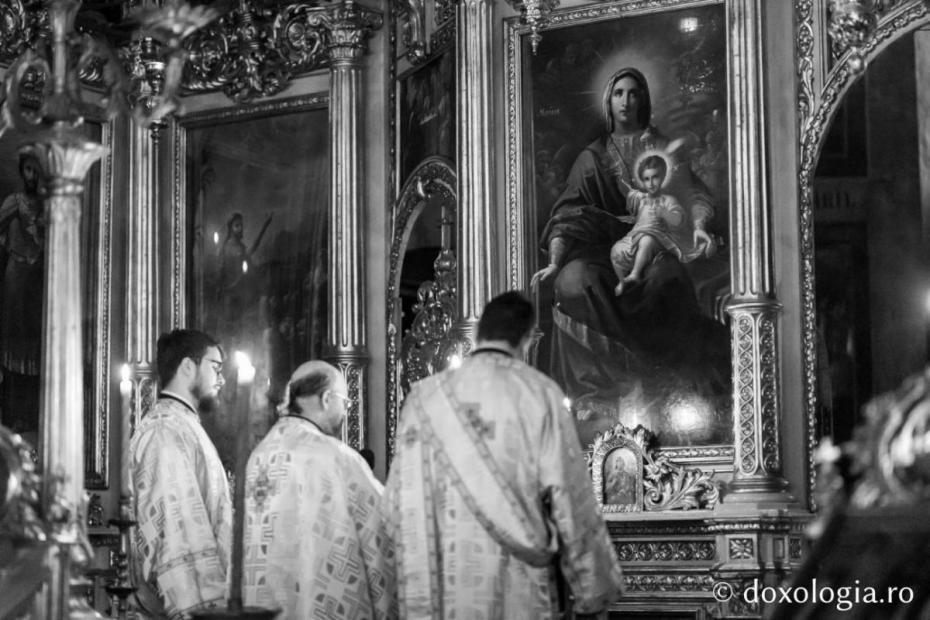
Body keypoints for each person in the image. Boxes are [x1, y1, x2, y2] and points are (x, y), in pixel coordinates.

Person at [384, 291, 624, 619]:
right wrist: (594, 588)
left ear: (480, 333)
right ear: (526, 338)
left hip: (442, 579)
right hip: (517, 581)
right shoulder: (539, 393)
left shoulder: (423, 398)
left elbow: (398, 497)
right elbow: (570, 495)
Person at [531, 66, 731, 447]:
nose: (626, 100)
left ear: (644, 99)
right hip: (601, 253)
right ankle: (595, 399)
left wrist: (700, 226)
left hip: (655, 247)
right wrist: (556, 262)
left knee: (668, 281)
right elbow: (567, 215)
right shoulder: (592, 158)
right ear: (608, 102)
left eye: (633, 93)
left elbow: (694, 196)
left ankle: (663, 384)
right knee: (573, 282)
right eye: (619, 93)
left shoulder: (663, 149)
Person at [242, 361, 396, 618]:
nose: (345, 411)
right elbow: (383, 527)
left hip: (264, 608)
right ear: (326, 399)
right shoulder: (336, 458)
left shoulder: (258, 456)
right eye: (345, 403)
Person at [130, 329, 231, 618]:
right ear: (188, 366)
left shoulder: (183, 425)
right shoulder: (165, 431)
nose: (221, 379)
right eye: (215, 367)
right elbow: (175, 532)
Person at [610, 153, 711, 295]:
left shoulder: (668, 200)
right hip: (635, 237)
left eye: (655, 177)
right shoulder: (642, 199)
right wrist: (620, 174)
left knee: (647, 241)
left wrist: (665, 213)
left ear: (663, 177)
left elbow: (678, 220)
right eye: (647, 179)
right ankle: (622, 281)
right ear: (642, 181)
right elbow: (627, 190)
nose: (651, 183)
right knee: (617, 249)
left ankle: (635, 274)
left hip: (658, 237)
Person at [0, 153, 45, 435]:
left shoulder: (49, 205)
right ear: (22, 171)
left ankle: (31, 416)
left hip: (38, 282)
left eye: (36, 170)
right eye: (28, 170)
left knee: (35, 345)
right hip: (16, 279)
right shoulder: (14, 202)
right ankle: (12, 415)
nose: (32, 175)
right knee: (14, 342)